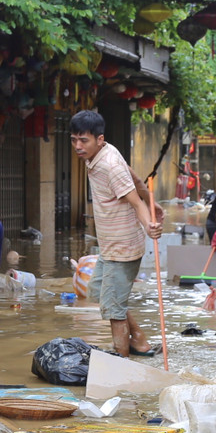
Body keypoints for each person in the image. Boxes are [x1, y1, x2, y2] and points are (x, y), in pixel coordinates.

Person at [69, 110, 164, 358]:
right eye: (74, 140)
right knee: (100, 291)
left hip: (122, 247)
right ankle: (139, 340)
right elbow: (132, 175)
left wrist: (149, 225)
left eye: (83, 141)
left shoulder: (108, 165)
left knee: (113, 309)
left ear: (99, 139)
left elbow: (135, 203)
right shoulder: (105, 151)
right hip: (111, 245)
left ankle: (121, 360)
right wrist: (148, 196)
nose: (78, 146)